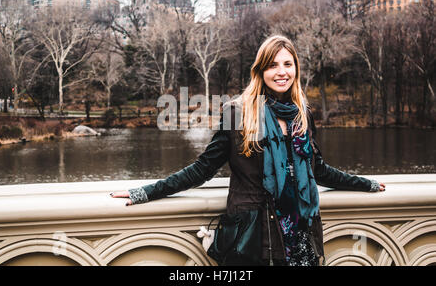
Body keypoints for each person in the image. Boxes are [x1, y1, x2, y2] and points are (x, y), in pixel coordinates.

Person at [111, 35, 386, 266]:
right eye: (273, 65)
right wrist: (146, 191)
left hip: (301, 237)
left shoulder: (302, 113)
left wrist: (367, 184)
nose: (282, 72)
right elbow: (203, 168)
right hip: (257, 238)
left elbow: (318, 170)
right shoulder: (237, 112)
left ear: (296, 69)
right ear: (260, 71)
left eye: (288, 64)